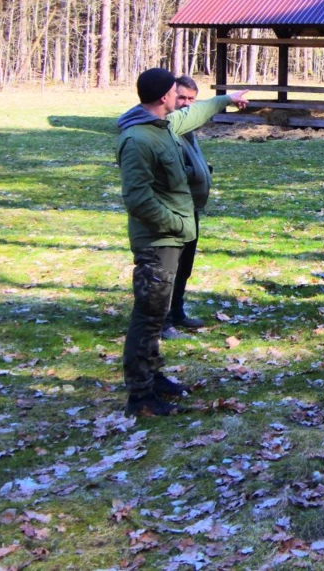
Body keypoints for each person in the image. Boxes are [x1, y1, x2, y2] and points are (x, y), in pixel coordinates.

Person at [116, 68, 246, 416]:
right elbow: (138, 199)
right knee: (147, 316)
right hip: (158, 241)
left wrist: (225, 100)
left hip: (171, 239)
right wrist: (176, 223)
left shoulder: (164, 127)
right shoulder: (138, 140)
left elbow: (195, 112)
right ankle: (140, 397)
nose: (181, 98)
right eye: (176, 92)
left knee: (156, 315)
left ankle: (153, 376)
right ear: (163, 97)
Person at [161, 76, 215, 340]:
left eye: (191, 99)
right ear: (170, 96)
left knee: (185, 265)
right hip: (172, 209)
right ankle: (163, 322)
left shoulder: (188, 127)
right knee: (166, 268)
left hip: (190, 205)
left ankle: (178, 312)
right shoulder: (165, 126)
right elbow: (168, 170)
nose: (185, 104)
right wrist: (195, 172)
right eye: (181, 97)